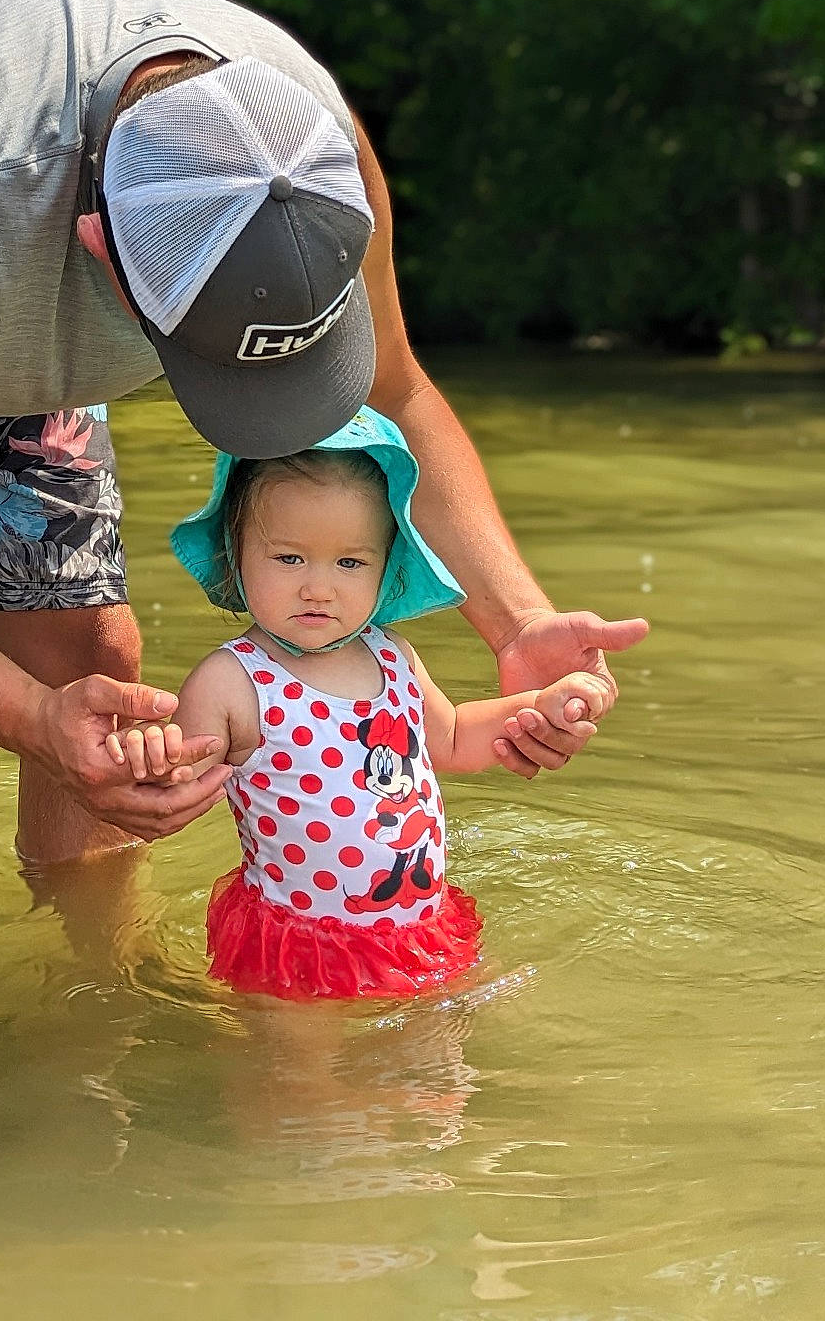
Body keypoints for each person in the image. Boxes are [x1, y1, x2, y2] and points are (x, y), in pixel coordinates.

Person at [0, 0, 645, 946]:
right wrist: (19, 718)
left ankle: (92, 1014)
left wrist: (516, 619)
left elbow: (395, 391)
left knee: (94, 666)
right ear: (98, 255)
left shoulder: (314, 160)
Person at [106, 408, 609, 999]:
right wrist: (153, 755)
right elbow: (178, 784)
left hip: (417, 926)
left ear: (386, 566)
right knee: (300, 1085)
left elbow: (451, 739)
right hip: (301, 944)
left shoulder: (391, 655)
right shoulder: (232, 681)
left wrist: (541, 705)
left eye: (350, 562)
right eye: (289, 557)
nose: (319, 586)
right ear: (234, 553)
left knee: (439, 1076)